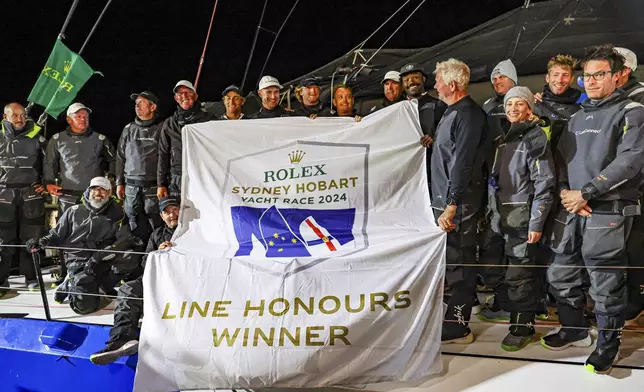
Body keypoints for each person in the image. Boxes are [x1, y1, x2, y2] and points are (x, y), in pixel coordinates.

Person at [543, 45, 644, 374]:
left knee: (605, 282)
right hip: (571, 207)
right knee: (561, 273)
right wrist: (564, 193)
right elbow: (559, 160)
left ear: (617, 76)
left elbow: (630, 161)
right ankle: (574, 329)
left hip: (607, 210)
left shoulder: (632, 111)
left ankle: (608, 344)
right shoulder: (575, 116)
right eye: (587, 76)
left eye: (599, 74)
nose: (591, 81)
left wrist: (586, 192)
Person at [487, 86, 555, 351]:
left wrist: (536, 222)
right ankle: (521, 309)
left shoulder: (534, 137)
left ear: (530, 108)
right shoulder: (504, 139)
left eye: (519, 104)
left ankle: (522, 325)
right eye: (509, 105)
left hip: (522, 219)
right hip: (501, 217)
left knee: (520, 273)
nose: (513, 109)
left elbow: (544, 181)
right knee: (504, 271)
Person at [427, 58, 490, 344]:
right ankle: (452, 315)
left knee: (461, 262)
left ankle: (459, 326)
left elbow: (463, 163)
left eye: (438, 81)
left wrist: (452, 203)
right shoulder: (451, 112)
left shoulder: (469, 115)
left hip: (460, 204)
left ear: (452, 85)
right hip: (445, 202)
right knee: (452, 261)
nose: (436, 86)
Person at [27, 177, 139, 314]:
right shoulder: (73, 211)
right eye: (95, 189)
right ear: (89, 190)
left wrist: (102, 255)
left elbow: (125, 239)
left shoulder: (118, 214)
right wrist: (41, 242)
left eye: (103, 190)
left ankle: (101, 287)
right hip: (78, 260)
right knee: (84, 307)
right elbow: (56, 235)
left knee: (130, 257)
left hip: (102, 258)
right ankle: (70, 283)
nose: (99, 192)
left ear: (110, 193)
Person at [89, 196, 179, 365]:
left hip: (183, 283)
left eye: (175, 210)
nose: (172, 214)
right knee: (127, 289)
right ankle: (121, 340)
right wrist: (158, 254)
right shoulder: (157, 234)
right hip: (158, 280)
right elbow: (145, 263)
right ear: (161, 215)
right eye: (167, 212)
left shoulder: (193, 231)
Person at [44, 102, 117, 285]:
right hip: (67, 195)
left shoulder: (100, 139)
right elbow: (49, 163)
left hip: (94, 198)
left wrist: (112, 180)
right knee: (65, 233)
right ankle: (64, 272)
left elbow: (114, 160)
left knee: (96, 233)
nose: (83, 119)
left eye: (85, 116)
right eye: (78, 116)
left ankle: (97, 271)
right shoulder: (57, 139)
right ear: (69, 119)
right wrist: (48, 183)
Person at [477, 59, 518, 320]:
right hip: (492, 185)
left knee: (516, 246)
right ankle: (501, 296)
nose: (497, 82)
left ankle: (519, 301)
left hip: (519, 187)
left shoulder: (524, 102)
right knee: (492, 242)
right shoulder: (488, 107)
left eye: (501, 77)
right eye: (494, 78)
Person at [0, 103, 47, 295]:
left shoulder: (36, 135)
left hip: (31, 193)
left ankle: (32, 278)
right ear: (5, 116)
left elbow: (49, 160)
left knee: (32, 237)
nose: (20, 119)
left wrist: (46, 181)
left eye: (23, 115)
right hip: (3, 194)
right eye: (15, 116)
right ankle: (2, 279)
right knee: (3, 239)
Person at [614, 47, 644, 327]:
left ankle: (637, 301)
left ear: (624, 72)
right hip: (619, 186)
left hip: (637, 185)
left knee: (636, 246)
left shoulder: (639, 99)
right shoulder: (614, 100)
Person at [116, 91, 164, 245]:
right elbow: (120, 157)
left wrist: (163, 184)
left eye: (142, 102)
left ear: (153, 107)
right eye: (136, 103)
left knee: (155, 220)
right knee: (132, 221)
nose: (137, 105)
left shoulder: (162, 128)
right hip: (131, 187)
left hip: (153, 187)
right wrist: (119, 183)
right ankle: (136, 257)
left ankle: (157, 251)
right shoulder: (128, 129)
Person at [157, 80, 215, 199]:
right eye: (180, 94)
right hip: (177, 179)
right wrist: (161, 184)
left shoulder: (209, 119)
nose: (184, 96)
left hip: (203, 176)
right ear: (176, 98)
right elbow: (163, 154)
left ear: (195, 96)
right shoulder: (169, 123)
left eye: (188, 92)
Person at [534, 54, 582, 150]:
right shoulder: (535, 105)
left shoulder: (580, 111)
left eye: (565, 75)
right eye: (555, 75)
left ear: (572, 79)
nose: (559, 80)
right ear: (548, 78)